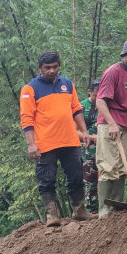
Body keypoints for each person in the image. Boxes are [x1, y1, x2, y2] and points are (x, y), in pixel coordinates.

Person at [20, 52, 95, 226]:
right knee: (47, 179)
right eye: (47, 68)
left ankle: (79, 209)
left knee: (76, 175)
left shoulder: (67, 84)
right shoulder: (30, 89)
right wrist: (31, 144)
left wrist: (84, 132)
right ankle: (51, 215)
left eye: (55, 67)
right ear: (40, 68)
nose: (52, 71)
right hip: (45, 143)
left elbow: (76, 109)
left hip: (70, 140)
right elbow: (26, 118)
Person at [95, 40, 127, 217]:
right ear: (124, 56)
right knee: (109, 165)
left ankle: (116, 206)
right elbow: (100, 101)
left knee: (126, 165)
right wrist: (111, 123)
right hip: (110, 121)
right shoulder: (113, 72)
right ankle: (103, 209)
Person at [81, 79, 100, 213]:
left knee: (108, 176)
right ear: (90, 92)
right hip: (89, 147)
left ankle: (106, 205)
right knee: (90, 179)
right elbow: (74, 129)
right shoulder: (82, 106)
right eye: (95, 94)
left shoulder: (106, 104)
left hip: (106, 146)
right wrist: (91, 137)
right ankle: (91, 209)